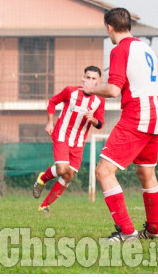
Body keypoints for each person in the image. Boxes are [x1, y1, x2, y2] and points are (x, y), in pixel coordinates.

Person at [83, 8, 158, 241]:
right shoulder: (146, 48)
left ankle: (127, 231)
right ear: (128, 25)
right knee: (145, 172)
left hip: (138, 115)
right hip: (157, 113)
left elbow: (112, 89)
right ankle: (154, 229)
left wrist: (91, 89)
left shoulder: (120, 49)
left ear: (109, 27)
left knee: (103, 171)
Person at [32, 66, 106, 211]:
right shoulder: (70, 91)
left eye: (94, 78)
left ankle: (44, 206)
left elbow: (100, 124)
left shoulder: (100, 100)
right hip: (62, 135)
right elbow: (52, 102)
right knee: (61, 169)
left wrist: (93, 120)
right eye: (88, 77)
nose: (90, 81)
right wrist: (49, 122)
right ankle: (43, 178)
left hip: (78, 142)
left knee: (69, 175)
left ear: (98, 81)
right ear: (83, 78)